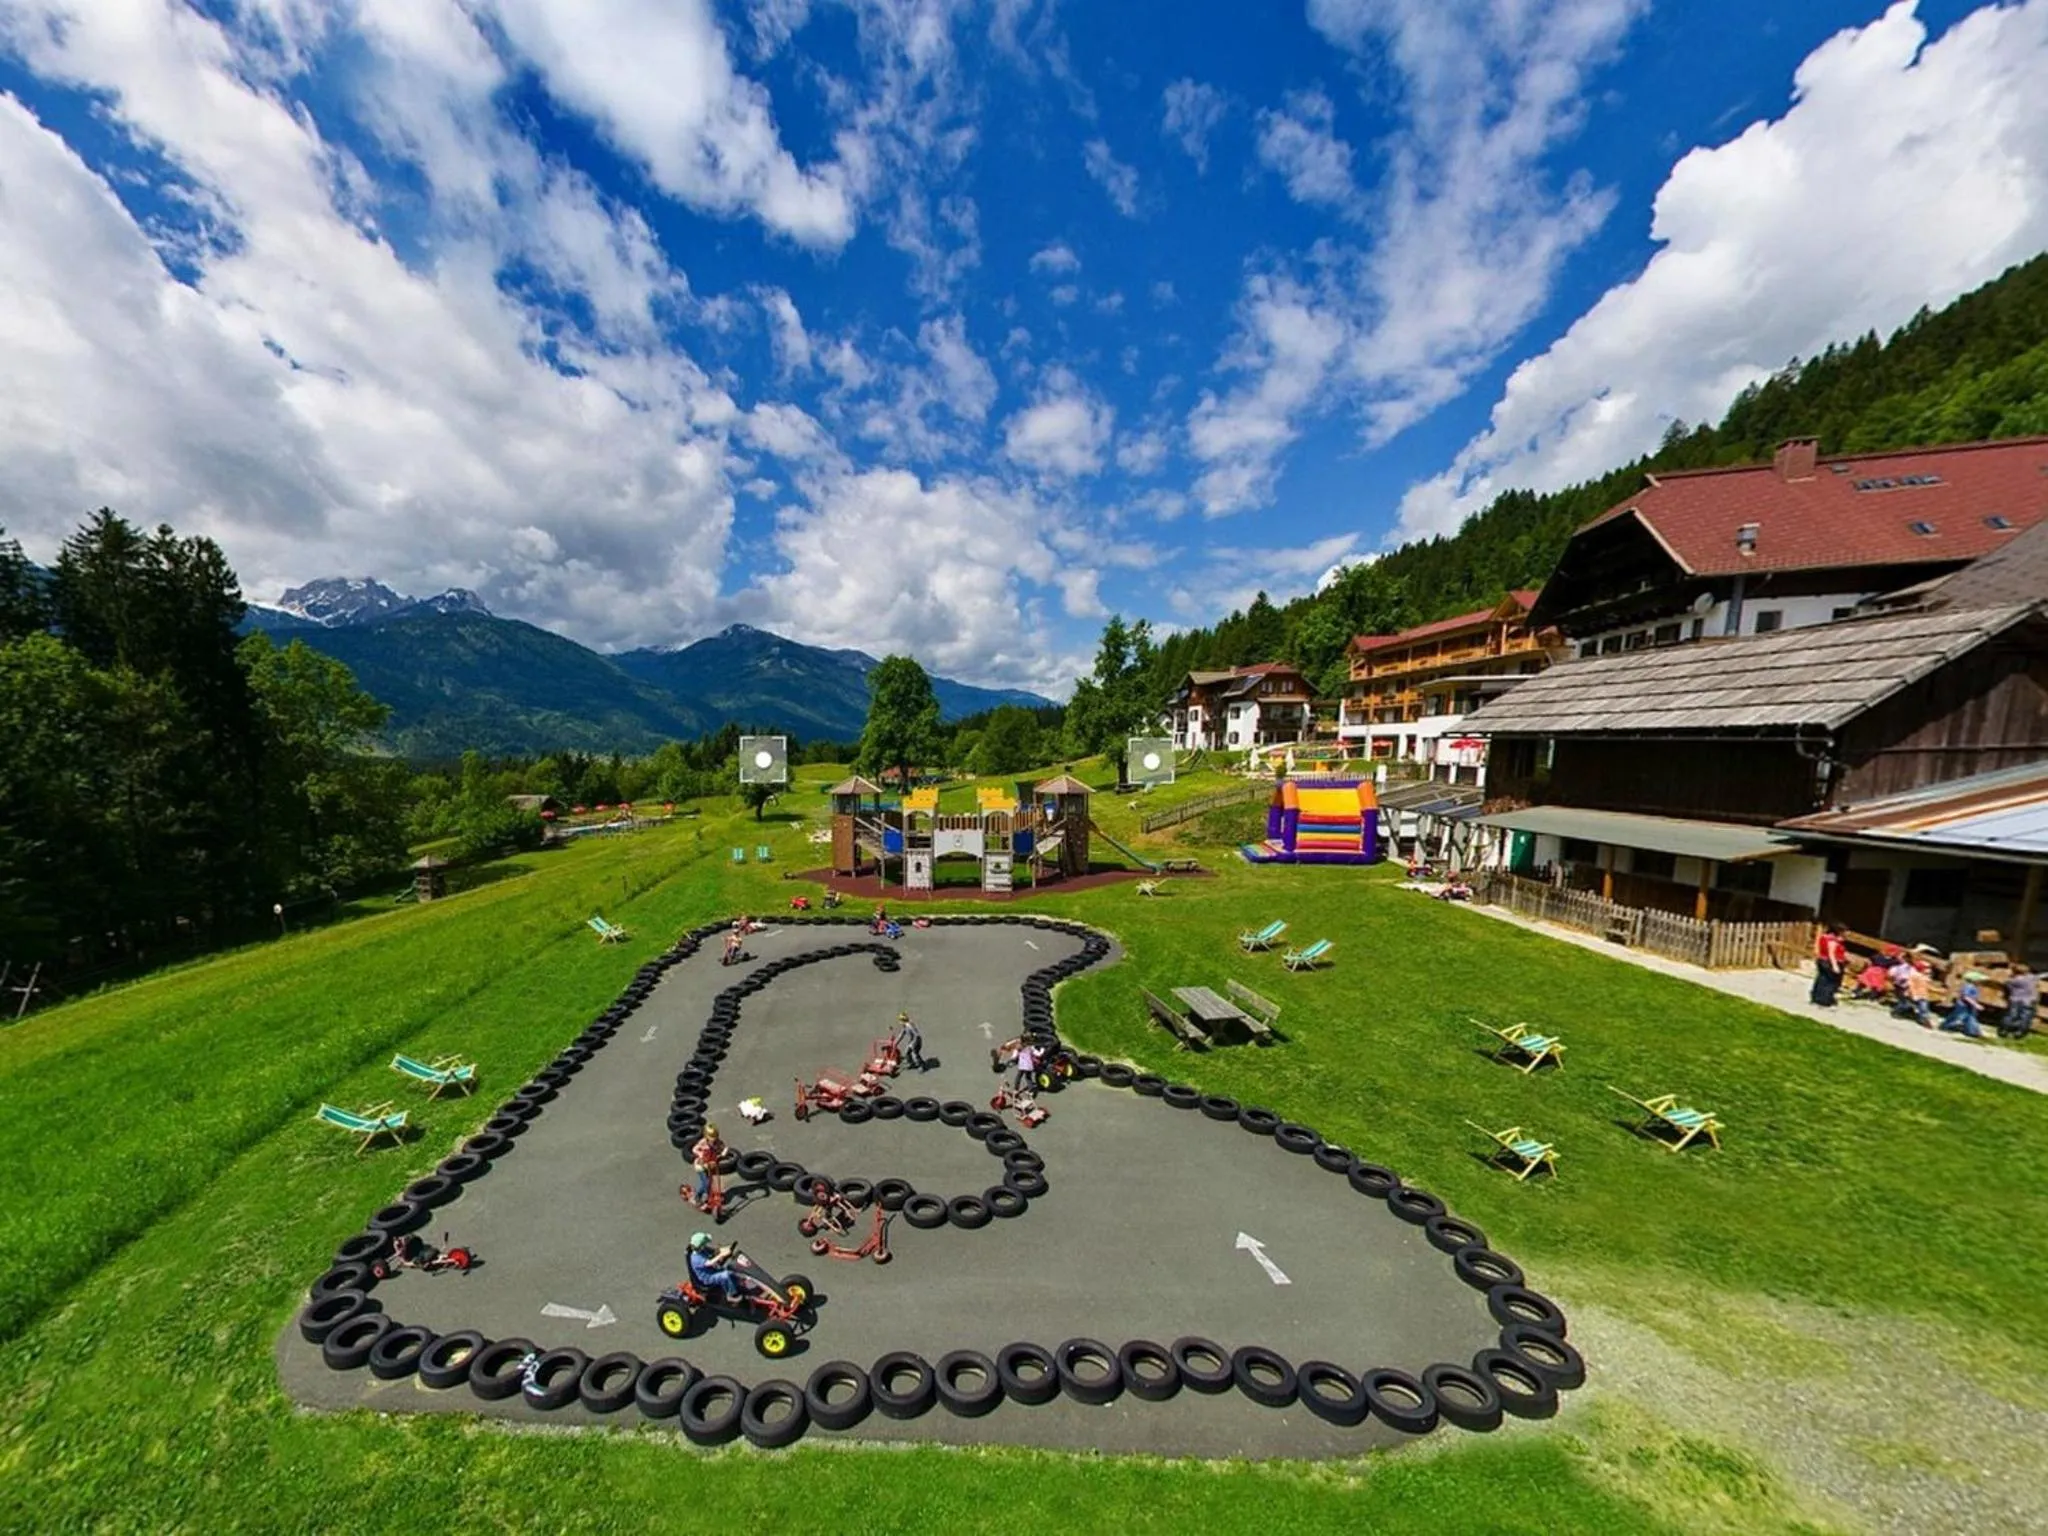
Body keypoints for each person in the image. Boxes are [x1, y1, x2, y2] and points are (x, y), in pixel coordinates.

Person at [687, 1232, 754, 1302]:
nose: (706, 1245)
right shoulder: (695, 1258)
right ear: (701, 1246)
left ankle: (739, 1285)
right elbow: (709, 1263)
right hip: (708, 1277)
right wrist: (721, 1255)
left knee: (732, 1270)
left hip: (713, 1270)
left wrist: (727, 1249)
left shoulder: (703, 1249)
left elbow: (716, 1250)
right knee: (725, 1275)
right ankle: (731, 1295)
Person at [1940, 970, 1988, 1038]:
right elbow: (1966, 997)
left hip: (1969, 1005)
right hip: (1963, 1006)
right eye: (1980, 980)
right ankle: (1945, 1026)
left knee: (1971, 1018)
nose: (1981, 982)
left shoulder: (1974, 987)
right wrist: (1976, 1005)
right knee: (1958, 1017)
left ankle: (1973, 1032)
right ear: (1975, 980)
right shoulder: (1969, 986)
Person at [1810, 923, 1847, 1007]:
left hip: (1822, 959)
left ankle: (1816, 997)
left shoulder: (1824, 937)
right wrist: (1835, 966)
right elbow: (1831, 953)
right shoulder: (1832, 940)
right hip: (1829, 961)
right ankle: (1824, 999)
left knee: (1821, 979)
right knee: (1830, 981)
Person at [1999, 963, 2038, 1040]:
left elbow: (2006, 985)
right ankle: (2019, 1032)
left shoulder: (2012, 981)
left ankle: (2004, 1030)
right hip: (2028, 1001)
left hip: (2015, 1000)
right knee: (2025, 1017)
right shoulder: (2031, 978)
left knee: (2011, 1015)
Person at [690, 1122, 724, 1209]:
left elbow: (722, 1147)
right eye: (712, 1137)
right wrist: (700, 1153)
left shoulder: (717, 1142)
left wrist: (724, 1152)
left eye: (715, 1136)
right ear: (706, 1136)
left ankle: (711, 1195)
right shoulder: (703, 1142)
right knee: (706, 1183)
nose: (714, 1139)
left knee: (712, 1182)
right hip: (700, 1166)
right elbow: (694, 1149)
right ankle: (697, 1197)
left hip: (711, 1165)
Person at [1898, 957, 1934, 1028]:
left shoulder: (1926, 977)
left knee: (1924, 1008)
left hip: (1923, 995)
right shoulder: (1914, 976)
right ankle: (1897, 1011)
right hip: (1912, 994)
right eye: (1926, 968)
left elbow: (1927, 985)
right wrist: (1913, 994)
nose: (1928, 970)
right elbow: (1911, 986)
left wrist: (1934, 989)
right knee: (1906, 1005)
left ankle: (1924, 1019)